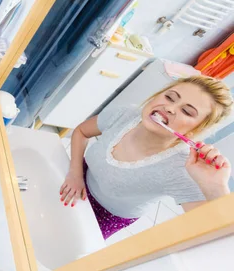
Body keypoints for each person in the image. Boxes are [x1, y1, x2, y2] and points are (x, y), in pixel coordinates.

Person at [60, 76, 233, 239]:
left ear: (195, 131)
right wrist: (75, 173)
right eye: (170, 97)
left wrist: (216, 188)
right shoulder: (124, 114)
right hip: (76, 179)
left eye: (187, 111)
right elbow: (81, 132)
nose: (170, 108)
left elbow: (216, 233)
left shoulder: (182, 169)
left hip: (104, 215)